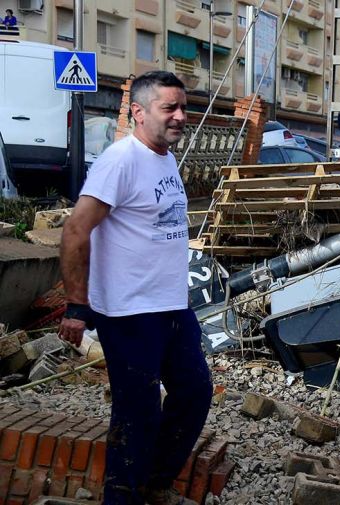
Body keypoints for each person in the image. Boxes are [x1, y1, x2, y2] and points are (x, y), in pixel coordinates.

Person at [59, 71, 211, 505]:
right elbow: (74, 231)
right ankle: (122, 497)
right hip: (128, 313)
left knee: (194, 392)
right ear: (139, 113)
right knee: (136, 413)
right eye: (169, 108)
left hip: (169, 307)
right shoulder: (120, 160)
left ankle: (154, 483)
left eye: (183, 107)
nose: (180, 116)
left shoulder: (163, 156)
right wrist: (76, 305)